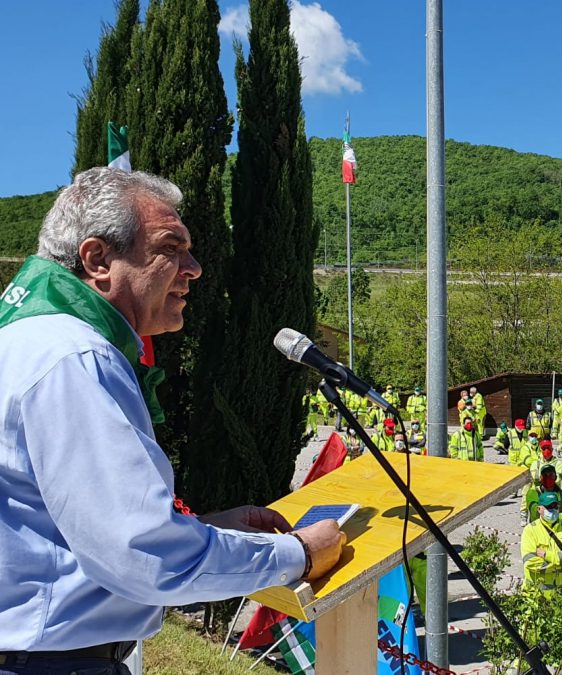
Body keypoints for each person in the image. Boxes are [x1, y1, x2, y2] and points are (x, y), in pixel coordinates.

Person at [0, 168, 345, 665]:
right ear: (98, 259)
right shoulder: (76, 355)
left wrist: (206, 530)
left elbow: (59, 536)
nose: (195, 268)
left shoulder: (31, 340)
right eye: (171, 247)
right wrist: (301, 554)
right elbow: (143, 555)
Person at [520, 491, 562, 675]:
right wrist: (561, 560)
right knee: (529, 642)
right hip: (535, 597)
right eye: (548, 507)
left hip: (560, 596)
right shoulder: (530, 530)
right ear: (539, 509)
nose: (553, 510)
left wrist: (546, 555)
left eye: (555, 506)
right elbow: (530, 562)